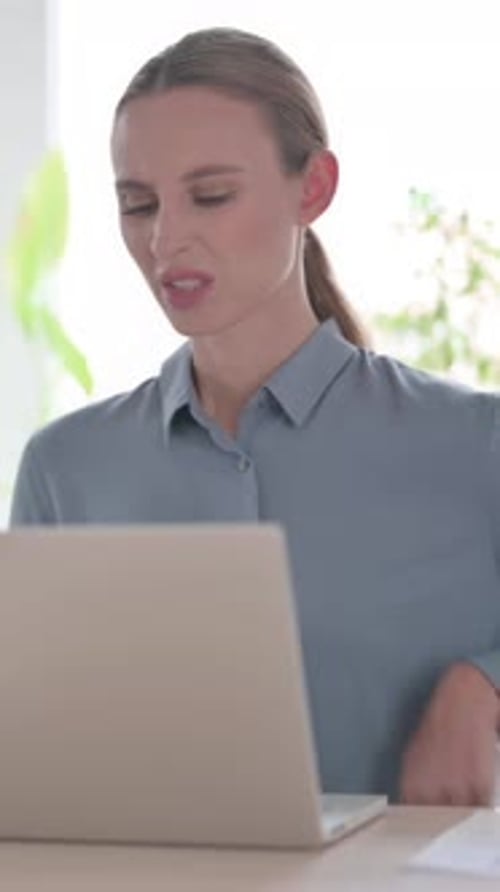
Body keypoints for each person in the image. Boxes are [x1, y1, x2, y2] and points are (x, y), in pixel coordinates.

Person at [10, 27, 500, 806]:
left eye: (211, 196)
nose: (166, 240)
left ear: (313, 189)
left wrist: (482, 686)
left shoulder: (477, 446)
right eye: (138, 205)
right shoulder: (66, 469)